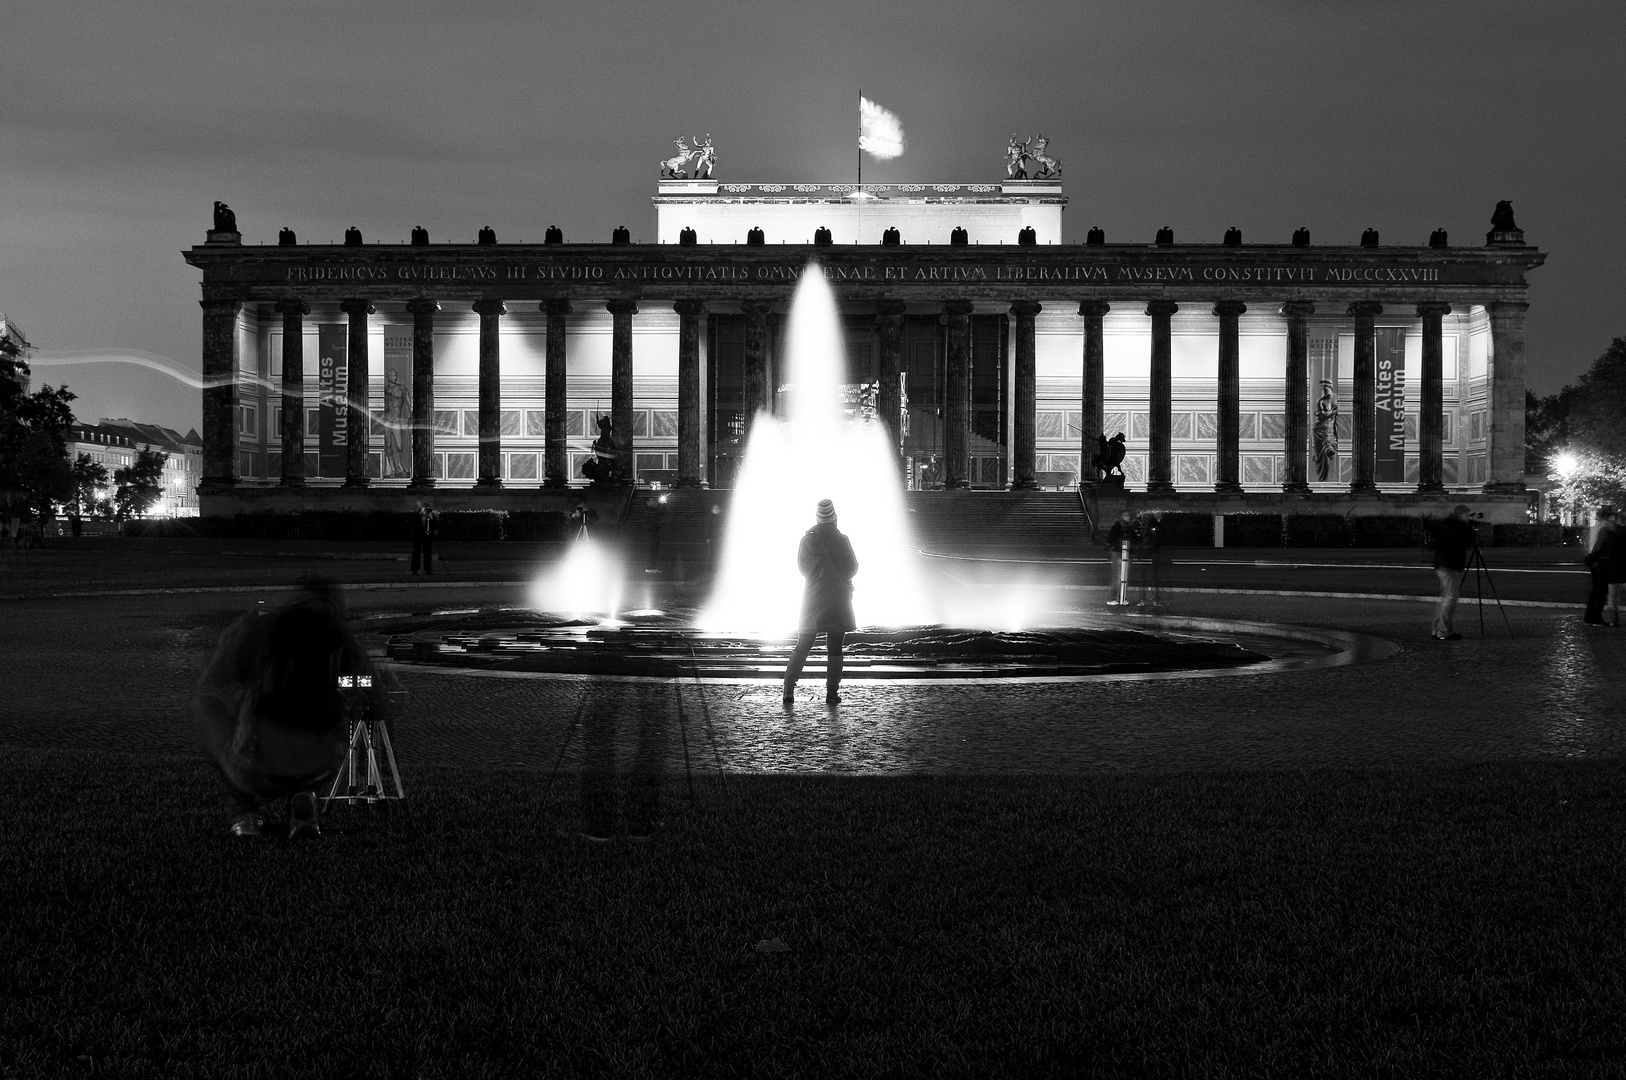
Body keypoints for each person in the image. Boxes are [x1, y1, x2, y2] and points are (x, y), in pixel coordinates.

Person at [193, 579, 385, 838]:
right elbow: (373, 691)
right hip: (322, 765)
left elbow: (213, 682)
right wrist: (342, 689)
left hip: (259, 767)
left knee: (207, 705)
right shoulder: (341, 637)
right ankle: (304, 795)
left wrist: (247, 685)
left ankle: (244, 813)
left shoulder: (257, 627)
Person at [783, 499, 859, 706]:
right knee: (835, 647)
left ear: (817, 518)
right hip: (837, 598)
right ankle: (832, 693)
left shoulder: (806, 540)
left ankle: (788, 689)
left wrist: (818, 575)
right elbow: (852, 568)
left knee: (803, 644)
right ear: (834, 518)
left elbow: (802, 569)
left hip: (813, 597)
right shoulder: (842, 539)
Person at [1431, 504, 1477, 640]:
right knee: (1450, 599)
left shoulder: (1447, 525)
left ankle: (1437, 629)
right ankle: (1444, 631)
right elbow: (1467, 541)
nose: (1470, 518)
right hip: (1451, 565)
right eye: (1469, 516)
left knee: (1446, 598)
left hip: (1442, 564)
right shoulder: (1459, 527)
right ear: (1463, 515)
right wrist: (1471, 527)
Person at [1583, 507, 1623, 626]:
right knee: (1600, 591)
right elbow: (1600, 546)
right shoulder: (1607, 528)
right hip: (1600, 562)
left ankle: (1590, 617)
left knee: (1596, 591)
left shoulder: (1598, 526)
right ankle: (1595, 617)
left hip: (1596, 561)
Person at [1105, 510, 1133, 606]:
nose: (1127, 517)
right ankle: (1113, 598)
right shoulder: (1117, 527)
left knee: (1124, 578)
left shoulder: (1129, 527)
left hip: (1125, 553)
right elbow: (1110, 540)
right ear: (1121, 516)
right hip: (1118, 553)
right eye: (1125, 515)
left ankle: (1122, 598)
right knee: (1117, 577)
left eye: (1128, 515)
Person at [410, 501, 439, 575]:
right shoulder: (417, 515)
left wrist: (431, 517)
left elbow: (434, 525)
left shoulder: (430, 515)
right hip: (418, 536)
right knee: (416, 553)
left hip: (427, 537)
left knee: (428, 553)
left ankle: (427, 569)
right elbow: (414, 524)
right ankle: (415, 570)